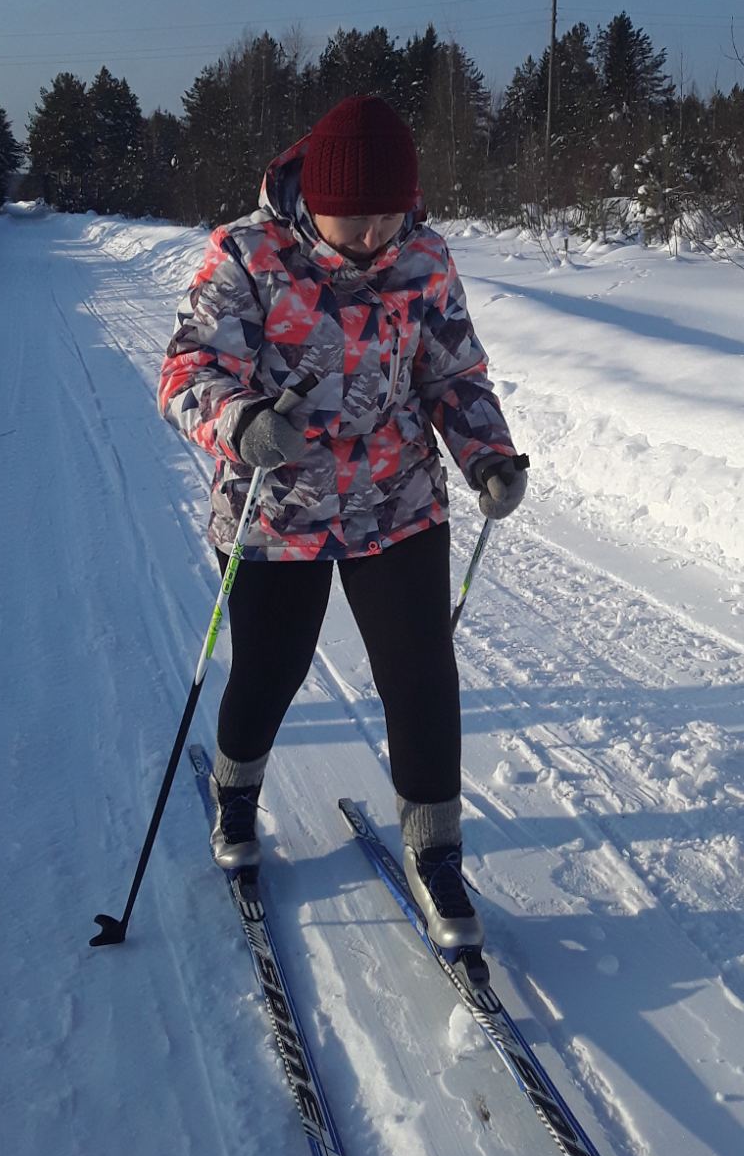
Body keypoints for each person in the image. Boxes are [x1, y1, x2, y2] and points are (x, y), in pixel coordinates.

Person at [158, 94, 526, 950]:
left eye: (387, 216)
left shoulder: (424, 259)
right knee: (272, 668)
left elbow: (454, 374)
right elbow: (187, 370)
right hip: (277, 506)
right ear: (311, 198)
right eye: (353, 217)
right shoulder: (247, 255)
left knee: (421, 673)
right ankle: (235, 794)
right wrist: (243, 423)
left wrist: (489, 456)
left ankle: (436, 853)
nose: (371, 235)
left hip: (396, 500)